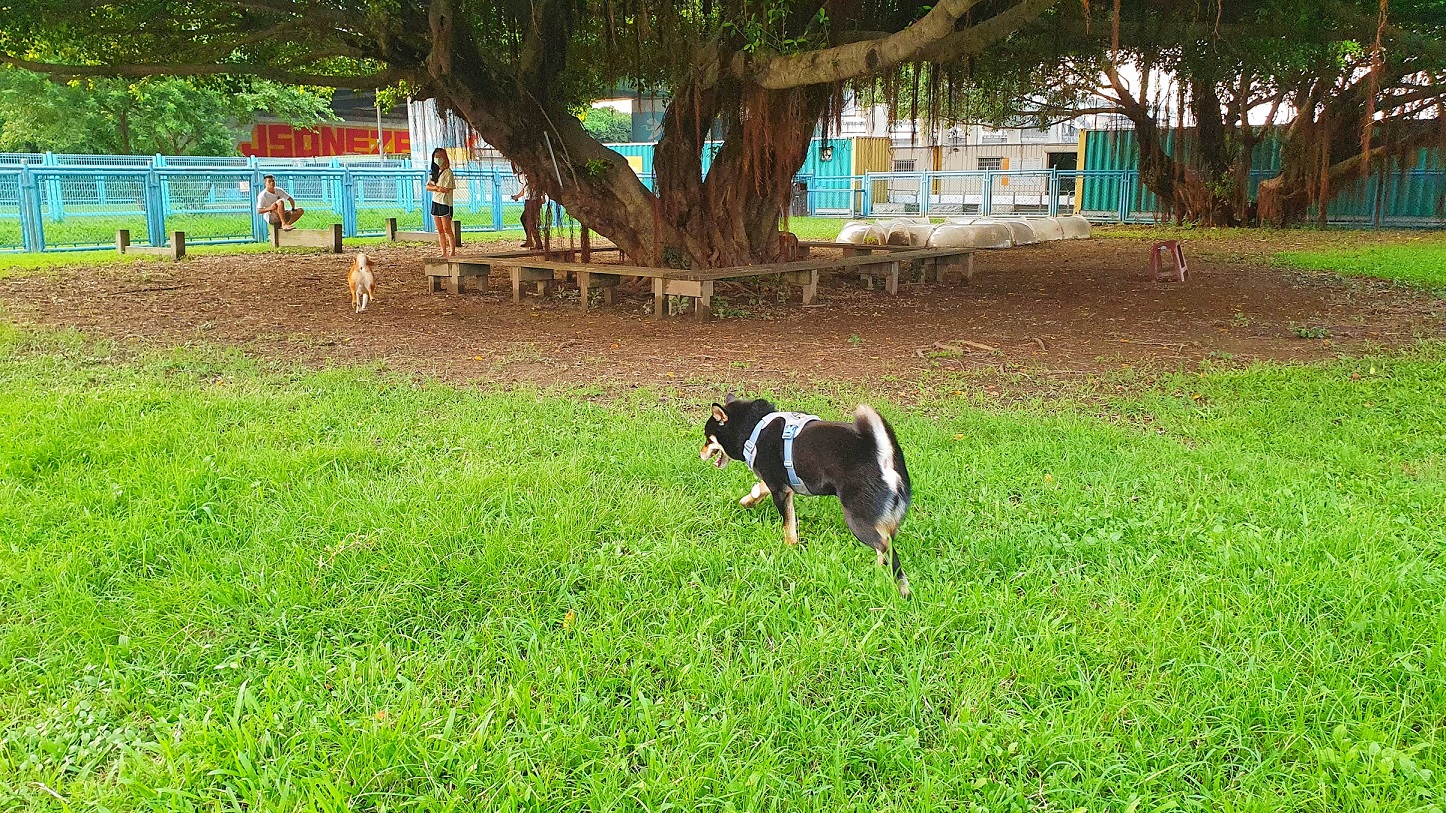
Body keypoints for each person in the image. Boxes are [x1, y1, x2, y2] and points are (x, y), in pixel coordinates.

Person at [424, 148, 456, 258]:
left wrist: (436, 188)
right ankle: (443, 252)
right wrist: (437, 188)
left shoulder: (448, 173)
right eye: (436, 158)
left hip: (445, 203)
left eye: (440, 158)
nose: (438, 160)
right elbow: (428, 186)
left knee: (447, 229)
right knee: (440, 229)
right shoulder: (434, 172)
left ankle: (452, 251)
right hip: (435, 202)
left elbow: (447, 189)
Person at [511, 166, 545, 249]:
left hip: (533, 201)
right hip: (529, 201)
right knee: (526, 219)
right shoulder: (526, 177)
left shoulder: (532, 176)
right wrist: (517, 196)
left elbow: (537, 188)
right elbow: (525, 189)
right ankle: (530, 240)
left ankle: (536, 242)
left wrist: (542, 197)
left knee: (529, 221)